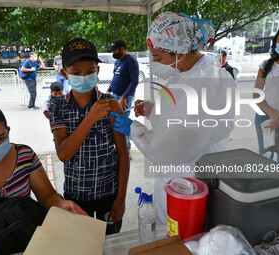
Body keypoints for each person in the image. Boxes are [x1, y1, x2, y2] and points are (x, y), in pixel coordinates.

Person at [110, 12, 235, 223]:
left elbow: (170, 148)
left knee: (179, 234)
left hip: (187, 179)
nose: (155, 62)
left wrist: (134, 130)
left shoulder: (199, 83)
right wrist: (154, 109)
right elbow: (180, 116)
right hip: (192, 171)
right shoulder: (195, 72)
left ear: (181, 52)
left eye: (158, 57)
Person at [0, 103, 86, 254]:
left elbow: (47, 195)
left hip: (27, 237)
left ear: (8, 131)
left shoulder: (24, 155)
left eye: (1, 138)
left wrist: (59, 204)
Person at [49, 38, 130, 235]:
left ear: (98, 71)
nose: (84, 77)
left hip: (109, 194)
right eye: (76, 73)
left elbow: (122, 154)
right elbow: (64, 154)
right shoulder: (57, 106)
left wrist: (121, 199)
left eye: (90, 71)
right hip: (76, 196)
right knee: (81, 244)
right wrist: (90, 118)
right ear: (64, 74)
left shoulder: (112, 105)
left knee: (108, 244)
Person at [254, 23, 279, 168]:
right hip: (264, 117)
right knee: (266, 159)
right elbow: (256, 94)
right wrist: (272, 114)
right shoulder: (266, 65)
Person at [107, 39, 139, 160]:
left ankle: (126, 150)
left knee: (121, 122)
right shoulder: (118, 62)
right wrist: (109, 90)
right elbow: (115, 77)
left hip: (125, 98)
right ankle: (119, 148)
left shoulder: (131, 61)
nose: (113, 53)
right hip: (114, 95)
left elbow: (134, 81)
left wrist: (124, 97)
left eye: (114, 50)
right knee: (113, 122)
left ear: (121, 49)